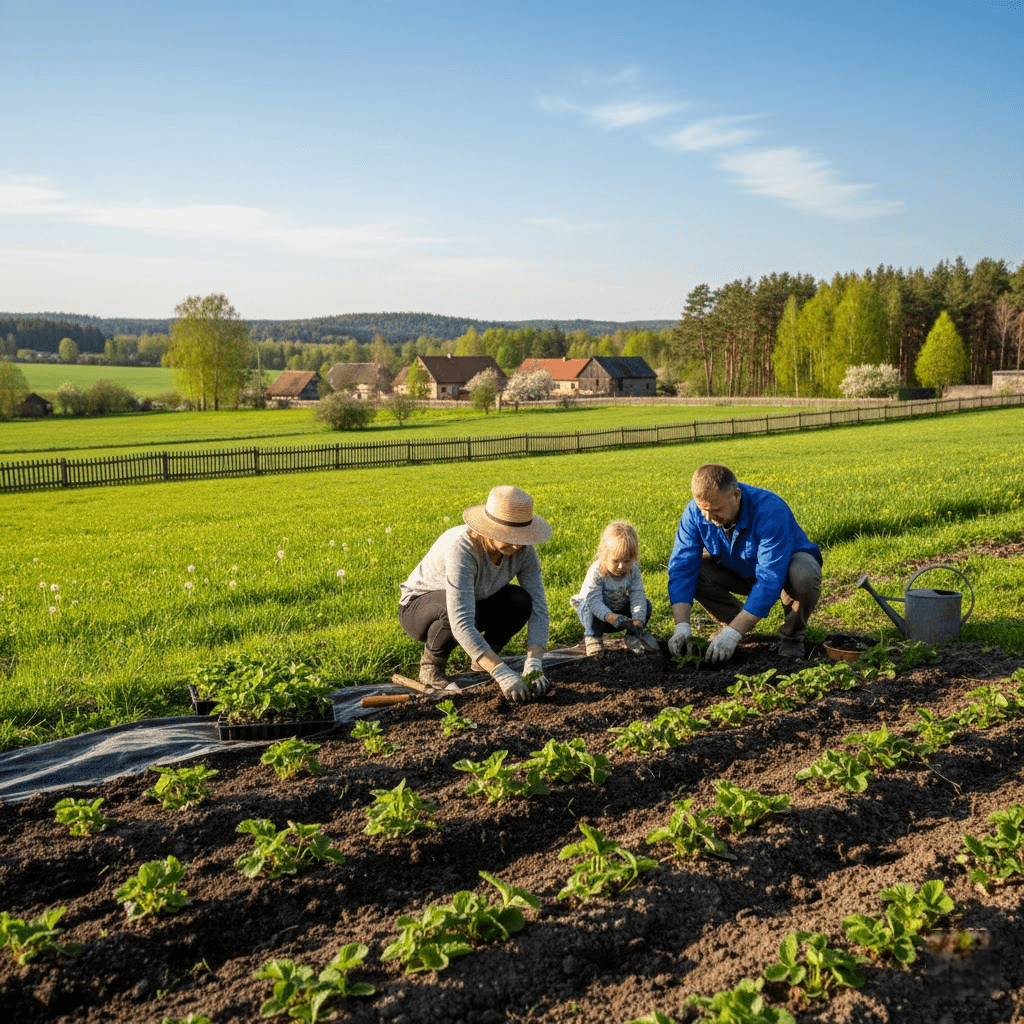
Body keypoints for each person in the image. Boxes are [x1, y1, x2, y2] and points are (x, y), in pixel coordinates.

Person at [399, 484, 552, 704]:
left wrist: (534, 663)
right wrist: (501, 672)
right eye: (510, 535)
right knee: (449, 610)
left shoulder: (524, 550)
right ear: (490, 529)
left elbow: (539, 608)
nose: (518, 544)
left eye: (522, 536)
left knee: (521, 601)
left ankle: (483, 661)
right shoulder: (463, 548)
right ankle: (431, 668)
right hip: (418, 608)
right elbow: (460, 620)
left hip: (474, 601)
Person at [667, 463, 822, 663]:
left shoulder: (770, 510)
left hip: (782, 571)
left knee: (804, 574)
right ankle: (733, 622)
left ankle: (792, 638)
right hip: (737, 569)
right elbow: (682, 568)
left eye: (716, 510)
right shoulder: (695, 513)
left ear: (736, 495)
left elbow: (770, 579)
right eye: (703, 510)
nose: (708, 517)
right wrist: (681, 627)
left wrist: (733, 634)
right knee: (695, 571)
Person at [570, 520, 658, 656]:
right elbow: (594, 600)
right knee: (588, 604)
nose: (621, 566)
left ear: (634, 558)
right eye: (616, 561)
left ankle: (632, 636)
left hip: (619, 612)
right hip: (596, 615)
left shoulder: (633, 571)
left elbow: (637, 594)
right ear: (604, 555)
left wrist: (638, 619)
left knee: (646, 605)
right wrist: (610, 617)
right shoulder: (597, 571)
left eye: (627, 561)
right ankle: (593, 637)